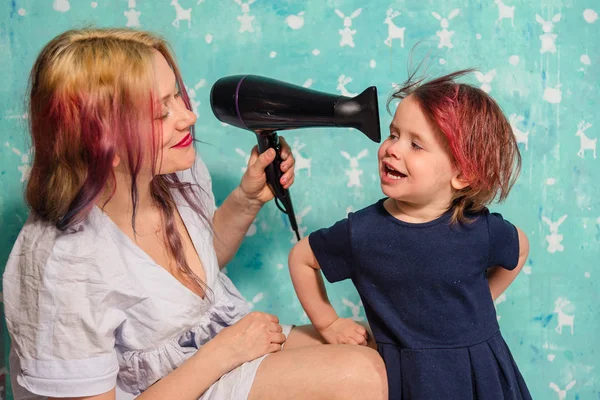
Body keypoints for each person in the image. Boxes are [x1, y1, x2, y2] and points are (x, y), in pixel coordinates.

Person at [2, 28, 387, 400]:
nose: (188, 117)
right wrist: (224, 352)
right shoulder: (63, 265)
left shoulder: (172, 174)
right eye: (159, 114)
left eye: (177, 98)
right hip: (179, 381)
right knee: (359, 377)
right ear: (99, 141)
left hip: (219, 349)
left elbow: (191, 277)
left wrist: (247, 199)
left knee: (373, 347)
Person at [288, 68, 532, 399]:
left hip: (481, 374)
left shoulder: (480, 229)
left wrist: (482, 302)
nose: (393, 149)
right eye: (393, 134)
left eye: (416, 144)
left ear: (462, 174)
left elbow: (519, 250)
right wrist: (329, 324)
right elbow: (301, 258)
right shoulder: (363, 232)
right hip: (409, 379)